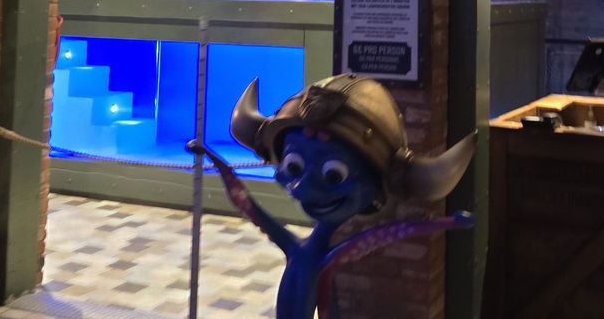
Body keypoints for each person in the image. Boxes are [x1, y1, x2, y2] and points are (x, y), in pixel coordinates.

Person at [188, 74, 475, 319]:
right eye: (293, 167)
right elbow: (246, 203)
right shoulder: (317, 252)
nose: (302, 187)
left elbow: (396, 231)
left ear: (377, 188)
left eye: (335, 175)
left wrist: (447, 223)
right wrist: (216, 160)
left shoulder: (318, 252)